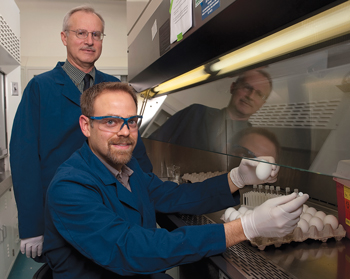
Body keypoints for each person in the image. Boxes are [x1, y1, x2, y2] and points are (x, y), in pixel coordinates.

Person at [44, 82, 308, 278]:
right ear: (85, 125)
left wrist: (236, 178)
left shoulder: (127, 165)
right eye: (111, 122)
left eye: (132, 121)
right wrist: (246, 227)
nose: (124, 132)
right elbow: (131, 249)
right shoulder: (70, 187)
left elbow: (174, 196)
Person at [9, 6, 152, 262]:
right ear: (64, 38)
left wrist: (151, 201)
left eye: (96, 35)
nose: (89, 41)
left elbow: (135, 150)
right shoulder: (40, 88)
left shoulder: (114, 87)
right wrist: (31, 226)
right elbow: (24, 160)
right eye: (81, 33)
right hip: (63, 214)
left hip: (115, 209)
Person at [149, 69, 272, 154]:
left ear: (262, 104)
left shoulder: (252, 141)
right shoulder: (195, 113)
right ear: (233, 87)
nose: (250, 96)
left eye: (259, 94)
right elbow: (151, 145)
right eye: (247, 87)